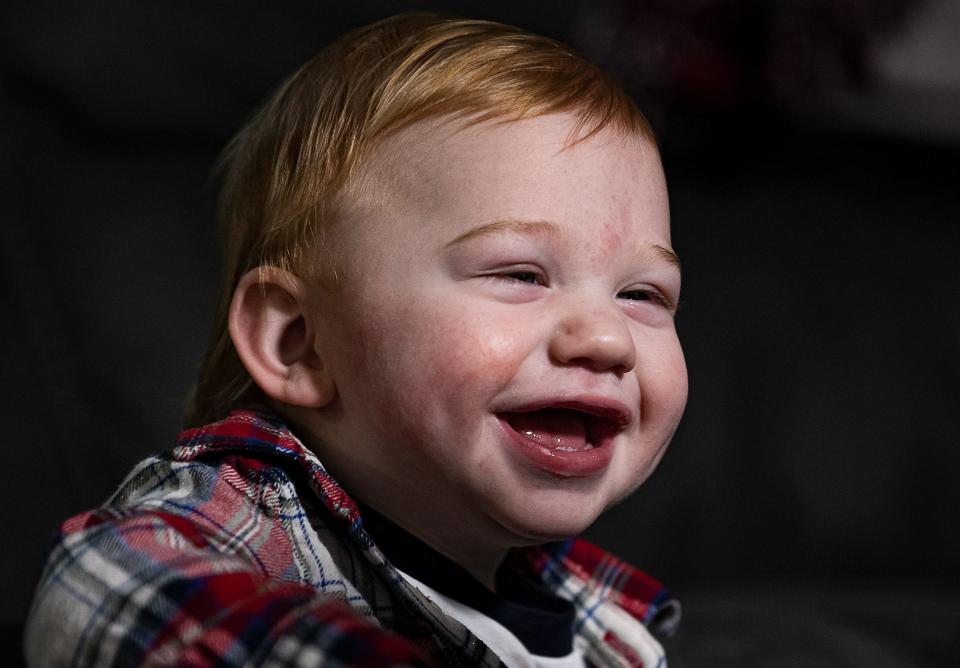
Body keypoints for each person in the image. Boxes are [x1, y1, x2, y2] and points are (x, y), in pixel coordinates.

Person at [24, 13, 688, 667]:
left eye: (643, 295)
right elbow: (101, 588)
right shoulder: (249, 532)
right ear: (299, 343)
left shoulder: (604, 628)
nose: (608, 338)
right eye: (521, 274)